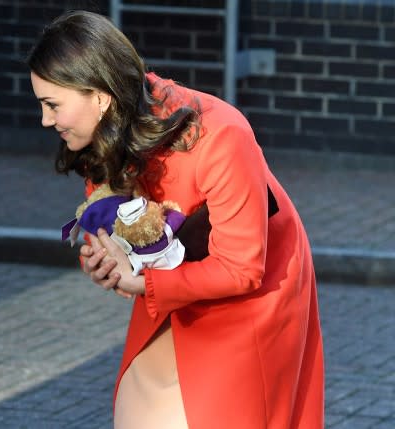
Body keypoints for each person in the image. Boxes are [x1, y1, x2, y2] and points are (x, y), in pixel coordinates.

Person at [27, 10, 324, 429]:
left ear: (98, 95)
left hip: (255, 289)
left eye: (52, 105)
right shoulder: (104, 130)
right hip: (171, 282)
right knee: (141, 409)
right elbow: (105, 221)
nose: (45, 120)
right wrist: (105, 263)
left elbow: (242, 269)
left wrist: (143, 282)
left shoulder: (220, 134)